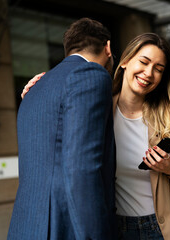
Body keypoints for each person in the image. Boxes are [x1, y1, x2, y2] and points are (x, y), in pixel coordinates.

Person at [23, 33, 170, 240]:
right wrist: (40, 91)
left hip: (161, 229)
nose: (149, 73)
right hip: (115, 229)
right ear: (125, 61)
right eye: (144, 62)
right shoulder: (96, 107)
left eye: (158, 69)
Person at [8, 18, 117, 240]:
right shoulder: (92, 75)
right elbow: (82, 168)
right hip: (65, 226)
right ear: (108, 48)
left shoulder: (34, 88)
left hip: (26, 226)